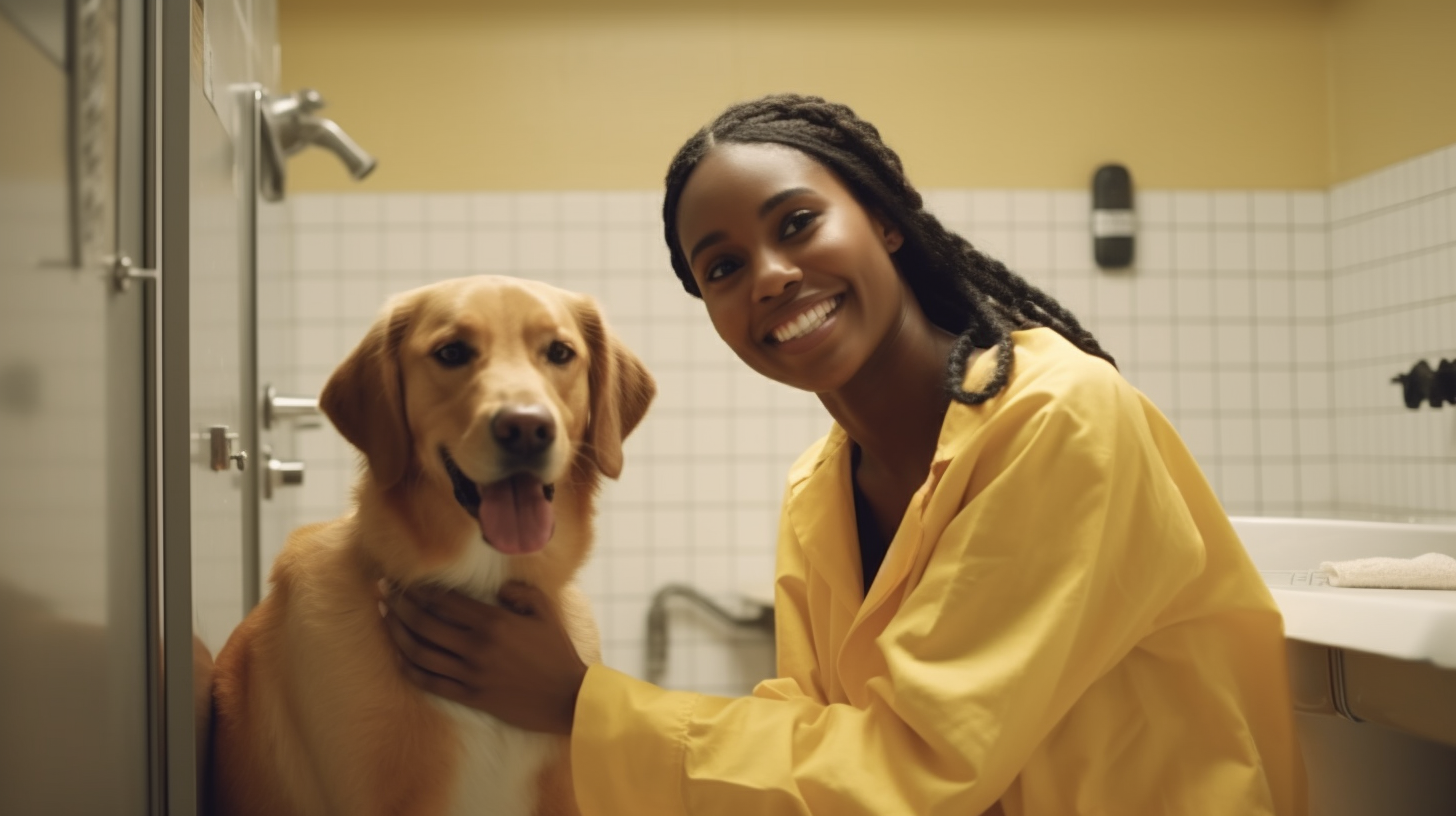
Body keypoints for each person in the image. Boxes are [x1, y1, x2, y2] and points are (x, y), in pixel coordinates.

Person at [378, 94, 1306, 815]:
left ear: (885, 220)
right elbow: (817, 734)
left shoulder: (1063, 420)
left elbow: (916, 767)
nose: (771, 276)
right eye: (723, 267)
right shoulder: (820, 488)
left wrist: (583, 705)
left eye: (796, 224)